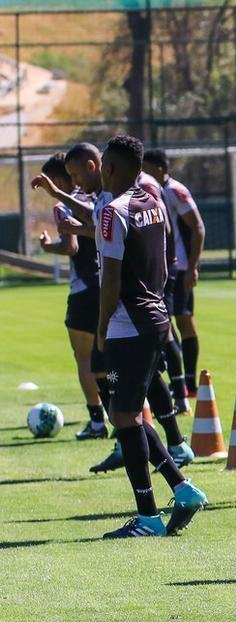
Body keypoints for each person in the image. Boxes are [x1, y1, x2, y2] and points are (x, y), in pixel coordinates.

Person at [31, 143, 195, 474]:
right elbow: (99, 223)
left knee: (118, 393)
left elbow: (134, 255)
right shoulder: (114, 200)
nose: (75, 182)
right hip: (144, 307)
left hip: (130, 310)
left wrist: (105, 325)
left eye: (76, 174)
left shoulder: (135, 196)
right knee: (143, 380)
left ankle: (155, 457)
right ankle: (172, 450)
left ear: (102, 167)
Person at [91, 134, 206, 538]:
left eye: (104, 164)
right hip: (155, 318)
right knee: (134, 414)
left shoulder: (113, 212)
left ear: (112, 168)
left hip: (129, 323)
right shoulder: (154, 203)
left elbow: (111, 282)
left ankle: (148, 516)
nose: (101, 170)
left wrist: (102, 331)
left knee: (123, 415)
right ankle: (183, 488)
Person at [37, 152, 105, 440]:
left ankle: (97, 421)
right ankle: (129, 416)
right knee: (109, 354)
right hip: (106, 283)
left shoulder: (64, 205)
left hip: (83, 290)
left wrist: (48, 247)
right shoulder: (95, 198)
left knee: (83, 357)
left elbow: (72, 247)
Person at [142, 148, 206, 400]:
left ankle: (187, 382)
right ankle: (183, 383)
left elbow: (198, 227)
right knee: (170, 323)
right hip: (166, 270)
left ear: (159, 168)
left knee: (182, 321)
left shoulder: (174, 190)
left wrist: (192, 266)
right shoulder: (149, 191)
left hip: (178, 269)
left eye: (145, 167)